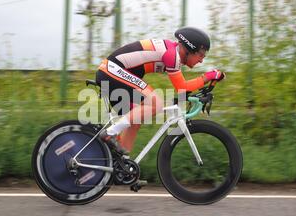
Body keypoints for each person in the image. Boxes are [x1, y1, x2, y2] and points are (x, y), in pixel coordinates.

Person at [95, 26, 225, 154]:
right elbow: (182, 87)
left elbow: (182, 88)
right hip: (111, 70)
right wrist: (208, 76)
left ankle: (120, 165)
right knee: (156, 104)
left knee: (136, 120)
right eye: (201, 55)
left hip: (114, 72)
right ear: (190, 49)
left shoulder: (174, 54)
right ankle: (109, 133)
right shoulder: (172, 55)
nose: (201, 60)